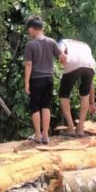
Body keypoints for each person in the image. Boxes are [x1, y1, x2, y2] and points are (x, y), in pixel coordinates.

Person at [23, 16, 66, 144]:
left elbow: (29, 65)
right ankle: (46, 135)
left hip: (36, 79)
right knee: (46, 105)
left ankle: (37, 135)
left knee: (35, 106)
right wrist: (62, 62)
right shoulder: (52, 42)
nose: (29, 32)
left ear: (32, 29)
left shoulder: (31, 45)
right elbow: (62, 57)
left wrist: (26, 83)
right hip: (49, 78)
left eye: (29, 29)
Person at [57, 38, 96, 137]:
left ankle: (70, 128)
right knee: (84, 94)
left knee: (63, 95)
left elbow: (60, 50)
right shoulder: (85, 45)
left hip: (73, 62)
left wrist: (61, 57)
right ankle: (80, 128)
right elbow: (91, 84)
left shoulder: (64, 41)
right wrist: (92, 102)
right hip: (91, 65)